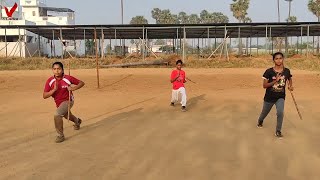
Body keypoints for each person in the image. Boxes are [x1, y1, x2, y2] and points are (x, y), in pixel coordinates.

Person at [43, 62, 85, 143]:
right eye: (54, 69)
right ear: (52, 70)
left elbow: (81, 83)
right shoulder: (50, 81)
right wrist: (53, 90)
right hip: (59, 103)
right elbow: (44, 95)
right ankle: (77, 121)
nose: (56, 71)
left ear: (62, 70)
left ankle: (60, 135)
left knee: (57, 114)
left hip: (69, 100)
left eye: (58, 69)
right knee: (67, 116)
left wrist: (73, 88)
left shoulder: (68, 78)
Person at [257, 52, 294, 138]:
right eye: (276, 58)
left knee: (280, 112)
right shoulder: (268, 71)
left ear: (283, 59)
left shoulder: (286, 71)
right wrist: (275, 81)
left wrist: (290, 86)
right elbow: (264, 86)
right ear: (273, 60)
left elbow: (289, 78)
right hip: (269, 97)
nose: (278, 60)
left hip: (280, 97)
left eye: (280, 58)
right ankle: (260, 120)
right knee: (264, 113)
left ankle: (278, 131)